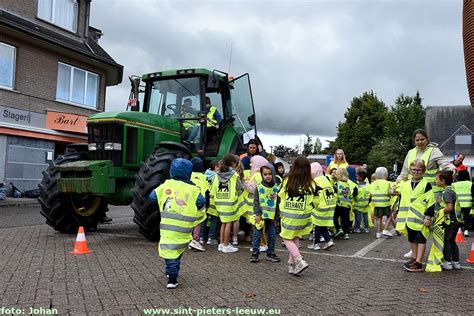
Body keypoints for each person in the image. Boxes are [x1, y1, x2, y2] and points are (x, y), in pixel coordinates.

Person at [397, 128, 454, 259]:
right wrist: (397, 184)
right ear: (414, 141)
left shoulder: (434, 151)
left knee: (434, 226)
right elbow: (404, 173)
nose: (419, 142)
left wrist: (450, 167)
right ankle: (415, 250)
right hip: (414, 195)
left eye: (422, 139)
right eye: (417, 140)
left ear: (427, 139)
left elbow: (443, 164)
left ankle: (440, 253)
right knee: (414, 224)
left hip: (431, 194)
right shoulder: (410, 153)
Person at [149, 158, 206, 289]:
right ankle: (172, 271)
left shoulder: (165, 186)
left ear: (171, 170)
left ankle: (172, 278)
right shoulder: (192, 189)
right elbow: (201, 201)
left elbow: (152, 197)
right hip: (184, 229)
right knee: (177, 250)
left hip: (167, 229)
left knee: (170, 252)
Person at [396, 159, 435, 272]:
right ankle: (414, 258)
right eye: (414, 169)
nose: (416, 172)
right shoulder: (406, 184)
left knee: (421, 240)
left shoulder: (426, 184)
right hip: (408, 219)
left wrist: (428, 216)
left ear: (423, 172)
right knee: (412, 239)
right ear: (410, 170)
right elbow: (401, 199)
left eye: (419, 170)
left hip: (421, 219)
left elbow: (431, 201)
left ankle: (419, 262)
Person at [278, 156, 314, 275]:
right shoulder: (310, 182)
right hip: (303, 216)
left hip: (289, 215)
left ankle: (299, 259)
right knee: (295, 237)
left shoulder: (287, 179)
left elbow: (281, 194)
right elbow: (313, 199)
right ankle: (291, 264)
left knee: (286, 238)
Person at [210, 154, 242, 253]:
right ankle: (226, 245)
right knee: (228, 223)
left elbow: (213, 188)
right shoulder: (234, 175)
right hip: (230, 202)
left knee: (223, 223)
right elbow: (239, 187)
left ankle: (221, 243)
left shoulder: (216, 174)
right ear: (233, 163)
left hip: (219, 202)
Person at [250, 164, 281, 263]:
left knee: (272, 235)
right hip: (260, 216)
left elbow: (278, 204)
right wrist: (257, 214)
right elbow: (256, 201)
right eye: (265, 174)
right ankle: (255, 253)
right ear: (262, 175)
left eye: (270, 174)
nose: (268, 176)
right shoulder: (258, 187)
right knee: (257, 235)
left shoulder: (276, 188)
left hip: (271, 217)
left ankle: (270, 253)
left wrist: (276, 218)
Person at [436, 170, 463, 270]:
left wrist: (439, 212)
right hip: (455, 220)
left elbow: (449, 208)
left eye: (437, 179)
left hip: (450, 221)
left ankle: (447, 262)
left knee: (447, 240)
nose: (435, 181)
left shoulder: (447, 192)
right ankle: (455, 262)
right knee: (452, 241)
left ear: (443, 181)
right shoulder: (451, 189)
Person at [308, 162, 336, 250]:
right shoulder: (326, 179)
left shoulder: (315, 182)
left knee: (316, 224)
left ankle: (315, 244)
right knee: (322, 224)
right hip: (330, 205)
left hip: (320, 207)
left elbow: (313, 196)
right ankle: (328, 240)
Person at [370, 167, 395, 238]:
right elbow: (390, 192)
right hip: (385, 203)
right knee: (389, 216)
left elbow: (371, 193)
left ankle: (378, 233)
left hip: (376, 203)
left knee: (379, 218)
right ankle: (385, 230)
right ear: (386, 175)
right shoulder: (387, 183)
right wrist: (393, 191)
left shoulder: (373, 183)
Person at [200, 160, 220, 245]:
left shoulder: (204, 175)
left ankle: (201, 237)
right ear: (215, 167)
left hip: (204, 200)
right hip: (213, 201)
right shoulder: (216, 176)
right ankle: (210, 238)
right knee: (214, 219)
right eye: (219, 166)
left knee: (204, 219)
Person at [189, 157, 207, 252]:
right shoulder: (203, 177)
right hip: (200, 203)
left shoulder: (189, 176)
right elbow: (207, 190)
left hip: (189, 202)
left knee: (189, 222)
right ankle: (195, 241)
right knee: (198, 223)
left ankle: (188, 240)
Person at [452, 170, 474, 237]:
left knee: (458, 217)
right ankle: (466, 231)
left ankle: (459, 229)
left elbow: (453, 194)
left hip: (458, 203)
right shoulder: (470, 184)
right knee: (466, 216)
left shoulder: (454, 184)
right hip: (468, 203)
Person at [334, 168, 352, 240]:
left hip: (339, 204)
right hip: (347, 205)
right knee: (344, 219)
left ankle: (338, 229)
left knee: (334, 217)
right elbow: (350, 195)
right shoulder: (347, 184)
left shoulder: (337, 184)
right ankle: (345, 233)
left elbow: (335, 194)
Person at [353, 167, 371, 234]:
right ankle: (366, 228)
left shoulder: (356, 185)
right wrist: (368, 202)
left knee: (358, 217)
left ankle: (357, 228)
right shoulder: (367, 185)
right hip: (365, 204)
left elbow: (354, 195)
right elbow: (370, 195)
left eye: (357, 175)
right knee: (365, 216)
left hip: (358, 204)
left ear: (359, 177)